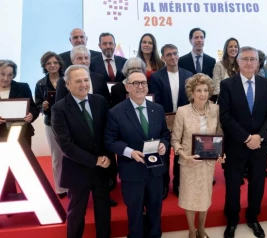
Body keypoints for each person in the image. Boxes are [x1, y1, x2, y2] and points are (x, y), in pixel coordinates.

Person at [219, 46, 267, 238]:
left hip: (260, 145)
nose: (249, 63)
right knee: (233, 184)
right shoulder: (227, 84)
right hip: (236, 145)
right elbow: (225, 116)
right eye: (245, 59)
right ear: (237, 62)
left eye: (253, 59)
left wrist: (259, 137)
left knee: (257, 183)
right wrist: (246, 137)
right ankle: (232, 220)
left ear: (258, 62)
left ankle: (253, 218)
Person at [105, 70, 170, 237]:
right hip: (132, 171)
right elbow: (110, 141)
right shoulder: (116, 112)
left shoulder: (158, 108)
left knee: (155, 209)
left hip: (155, 171)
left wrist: (163, 145)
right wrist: (130, 152)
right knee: (135, 211)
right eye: (136, 83)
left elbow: (165, 134)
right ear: (127, 87)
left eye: (144, 83)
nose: (141, 86)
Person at [51, 65, 111, 238]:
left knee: (103, 211)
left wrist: (106, 158)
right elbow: (66, 145)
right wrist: (95, 160)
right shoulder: (59, 109)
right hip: (77, 169)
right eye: (78, 81)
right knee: (76, 212)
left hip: (102, 168)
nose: (84, 84)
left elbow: (108, 133)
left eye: (86, 80)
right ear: (68, 84)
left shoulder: (99, 101)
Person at [171, 73, 224, 238]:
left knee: (204, 197)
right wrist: (183, 155)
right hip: (189, 162)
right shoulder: (182, 111)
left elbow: (219, 133)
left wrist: (220, 152)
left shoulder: (215, 109)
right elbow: (175, 139)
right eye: (199, 90)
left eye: (206, 90)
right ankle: (192, 231)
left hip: (207, 163)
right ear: (191, 93)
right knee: (189, 198)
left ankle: (201, 229)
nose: (203, 94)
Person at [150, 44, 192, 198]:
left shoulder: (188, 75)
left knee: (181, 153)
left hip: (184, 120)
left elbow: (190, 100)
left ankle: (179, 184)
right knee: (164, 153)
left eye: (175, 53)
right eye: (169, 55)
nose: (173, 57)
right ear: (163, 58)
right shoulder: (156, 77)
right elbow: (156, 102)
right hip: (163, 121)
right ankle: (164, 184)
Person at [0, 60, 39, 201]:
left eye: (10, 75)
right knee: (4, 169)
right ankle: (7, 198)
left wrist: (31, 115)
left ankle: (31, 199)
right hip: (1, 136)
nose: (6, 78)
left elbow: (34, 107)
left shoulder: (22, 87)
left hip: (21, 133)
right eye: (2, 74)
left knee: (25, 167)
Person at [34, 51, 68, 198]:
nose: (52, 65)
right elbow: (37, 105)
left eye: (55, 62)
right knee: (57, 156)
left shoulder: (68, 79)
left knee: (71, 155)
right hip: (51, 123)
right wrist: (43, 106)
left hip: (69, 122)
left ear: (60, 64)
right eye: (49, 63)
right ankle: (60, 188)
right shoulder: (40, 84)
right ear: (44, 66)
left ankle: (73, 185)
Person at [212, 37, 240, 102]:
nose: (233, 49)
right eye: (231, 46)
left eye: (236, 47)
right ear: (226, 49)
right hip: (224, 101)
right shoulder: (219, 65)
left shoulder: (241, 65)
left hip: (240, 102)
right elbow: (216, 88)